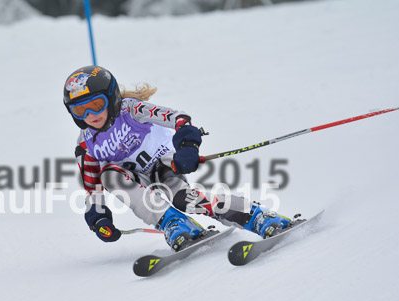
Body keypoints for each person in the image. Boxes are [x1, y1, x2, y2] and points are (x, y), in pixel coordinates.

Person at [63, 65, 292, 251]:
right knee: (108, 176)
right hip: (131, 178)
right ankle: (174, 222)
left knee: (184, 198)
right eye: (80, 110)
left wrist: (187, 147)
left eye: (96, 105)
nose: (90, 115)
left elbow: (179, 119)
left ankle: (256, 216)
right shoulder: (85, 144)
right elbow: (93, 189)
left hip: (164, 165)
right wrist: (99, 219)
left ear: (111, 98)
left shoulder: (131, 110)